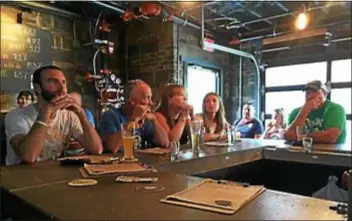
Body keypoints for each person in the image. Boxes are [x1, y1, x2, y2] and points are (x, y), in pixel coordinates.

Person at [4, 65, 103, 165]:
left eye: (64, 82)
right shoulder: (16, 116)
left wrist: (81, 114)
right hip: (20, 177)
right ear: (38, 88)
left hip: (53, 176)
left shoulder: (69, 115)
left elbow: (96, 149)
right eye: (53, 81)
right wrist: (46, 114)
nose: (62, 88)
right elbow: (28, 157)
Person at [99, 79, 169, 153]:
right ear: (132, 101)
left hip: (139, 162)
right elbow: (113, 147)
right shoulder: (111, 115)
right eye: (147, 98)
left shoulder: (145, 118)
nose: (151, 103)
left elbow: (165, 143)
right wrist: (133, 120)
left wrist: (154, 120)